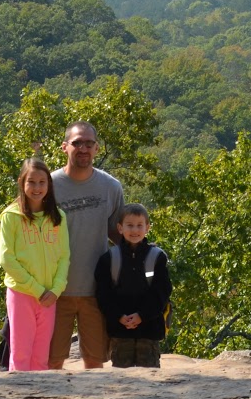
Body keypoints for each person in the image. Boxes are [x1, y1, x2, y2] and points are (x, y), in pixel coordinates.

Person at [47, 120, 125, 369]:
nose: (83, 148)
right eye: (77, 143)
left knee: (95, 361)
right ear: (64, 147)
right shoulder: (46, 186)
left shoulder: (111, 187)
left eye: (88, 143)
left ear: (97, 149)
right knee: (51, 361)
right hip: (54, 290)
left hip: (97, 290)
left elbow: (120, 233)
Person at [0, 157, 69, 372]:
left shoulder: (58, 217)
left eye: (42, 182)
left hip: (49, 296)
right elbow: (6, 258)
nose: (37, 188)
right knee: (20, 354)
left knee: (41, 356)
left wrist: (56, 290)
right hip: (22, 294)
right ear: (22, 183)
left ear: (49, 184)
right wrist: (37, 290)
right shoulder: (11, 216)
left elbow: (64, 257)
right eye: (31, 182)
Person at [94, 203, 172, 368]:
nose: (135, 230)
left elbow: (162, 292)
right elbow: (103, 294)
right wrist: (118, 316)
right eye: (129, 225)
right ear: (120, 228)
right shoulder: (108, 259)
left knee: (150, 378)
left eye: (139, 225)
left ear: (147, 228)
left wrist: (142, 315)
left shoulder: (158, 257)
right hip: (120, 330)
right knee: (121, 379)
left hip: (149, 331)